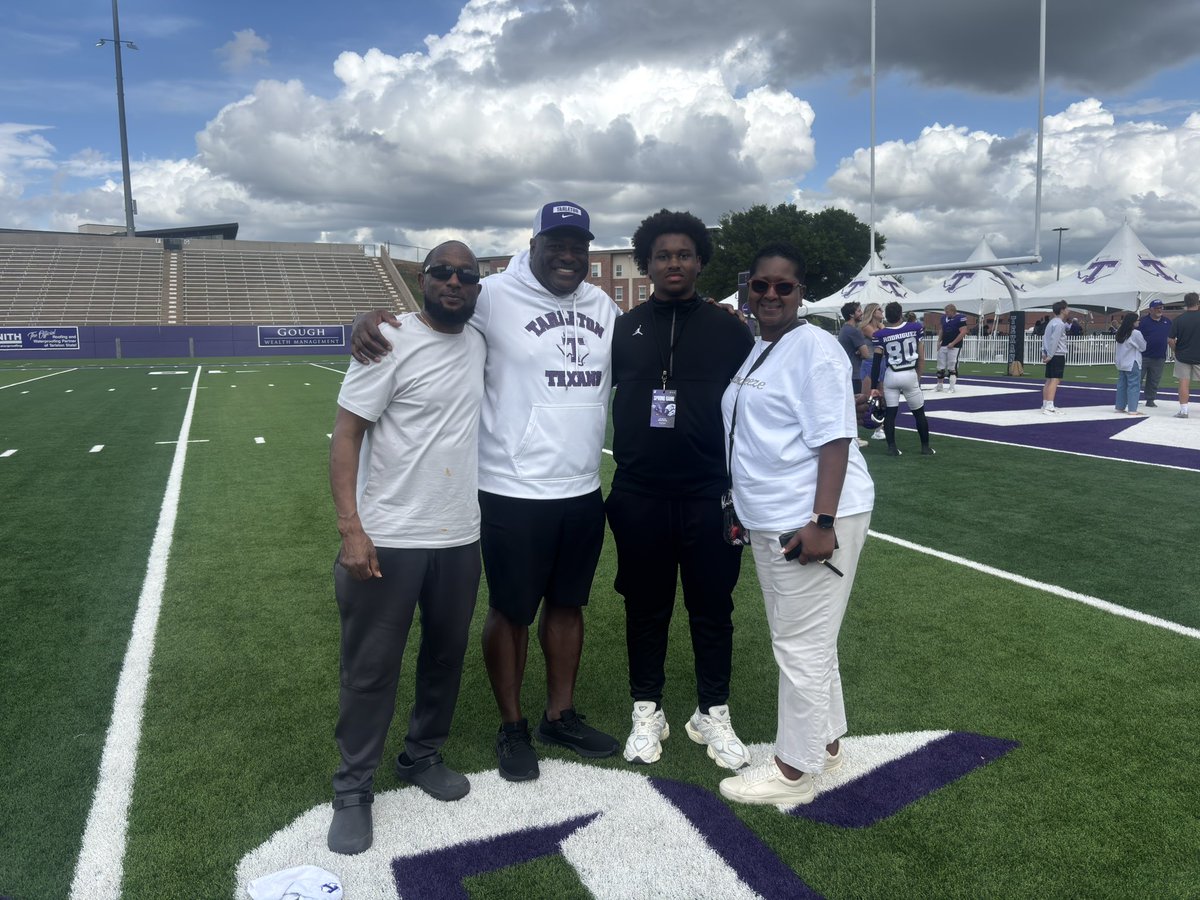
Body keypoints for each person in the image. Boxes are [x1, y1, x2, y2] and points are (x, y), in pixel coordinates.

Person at [350, 201, 621, 782]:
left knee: (569, 606)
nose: (569, 255)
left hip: (579, 486)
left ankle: (560, 714)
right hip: (509, 488)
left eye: (580, 245)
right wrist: (375, 317)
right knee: (511, 611)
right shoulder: (493, 293)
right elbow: (436, 314)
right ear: (535, 243)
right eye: (558, 243)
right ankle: (512, 725)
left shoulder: (604, 305)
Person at [326, 241, 487, 855]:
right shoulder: (387, 340)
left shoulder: (479, 341)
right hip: (389, 537)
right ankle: (352, 789)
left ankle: (422, 755)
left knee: (445, 657)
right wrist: (351, 529)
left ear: (477, 286)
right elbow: (346, 436)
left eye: (466, 276)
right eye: (442, 273)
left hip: (458, 535)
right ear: (422, 280)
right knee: (370, 669)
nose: (453, 282)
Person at [716, 242, 874, 806]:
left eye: (784, 286)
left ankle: (793, 771)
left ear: (801, 292)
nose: (771, 295)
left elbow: (835, 436)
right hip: (770, 515)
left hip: (809, 517)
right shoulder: (762, 346)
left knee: (799, 645)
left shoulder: (815, 347)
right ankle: (826, 742)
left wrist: (822, 520)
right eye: (761, 285)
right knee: (809, 638)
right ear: (747, 288)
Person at [607, 209, 755, 770]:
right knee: (646, 608)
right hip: (640, 493)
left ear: (700, 262)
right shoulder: (623, 327)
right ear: (647, 263)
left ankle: (711, 711)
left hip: (709, 494)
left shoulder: (727, 329)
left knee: (712, 609)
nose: (674, 262)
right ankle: (648, 709)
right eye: (663, 254)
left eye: (684, 254)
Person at [870, 301, 935, 456]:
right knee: (919, 413)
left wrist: (874, 385)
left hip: (891, 375)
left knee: (890, 414)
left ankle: (892, 448)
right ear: (901, 314)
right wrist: (918, 376)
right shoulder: (915, 328)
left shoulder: (880, 334)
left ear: (887, 315)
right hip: (909, 373)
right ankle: (925, 447)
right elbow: (920, 356)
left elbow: (877, 362)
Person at [837, 301, 871, 449]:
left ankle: (852, 437)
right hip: (854, 373)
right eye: (858, 311)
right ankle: (854, 438)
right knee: (855, 406)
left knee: (848, 406)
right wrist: (859, 352)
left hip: (847, 372)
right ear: (851, 314)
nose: (861, 313)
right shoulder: (853, 331)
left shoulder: (844, 329)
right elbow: (866, 353)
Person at [1169, 291, 1200, 419]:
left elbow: (1170, 340)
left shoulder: (1179, 319)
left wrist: (1176, 350)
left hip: (1183, 355)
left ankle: (1184, 411)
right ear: (1197, 302)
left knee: (1183, 383)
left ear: (1185, 303)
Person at [1137, 300, 1172, 407]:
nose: (1160, 310)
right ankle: (1132, 398)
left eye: (1161, 307)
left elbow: (1171, 337)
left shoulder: (1167, 322)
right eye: (1157, 308)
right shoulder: (1142, 322)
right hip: (1143, 356)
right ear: (1150, 309)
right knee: (1137, 379)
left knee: (1154, 380)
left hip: (1159, 356)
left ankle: (1150, 399)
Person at [860, 303, 886, 441]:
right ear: (872, 312)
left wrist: (883, 327)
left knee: (882, 397)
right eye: (879, 309)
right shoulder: (865, 327)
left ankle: (879, 428)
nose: (882, 312)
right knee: (865, 398)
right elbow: (879, 338)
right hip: (869, 363)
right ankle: (855, 431)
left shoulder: (881, 327)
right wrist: (883, 328)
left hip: (882, 363)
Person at [1113, 311, 1147, 417]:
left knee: (1122, 385)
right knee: (1134, 385)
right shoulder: (1136, 333)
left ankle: (1120, 407)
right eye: (1137, 320)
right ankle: (1132, 409)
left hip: (1121, 362)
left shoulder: (1120, 332)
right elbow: (1143, 347)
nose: (1139, 321)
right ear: (1132, 322)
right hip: (1133, 362)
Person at [1041, 300, 1070, 415]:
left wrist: (1044, 352)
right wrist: (1050, 355)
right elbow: (1054, 340)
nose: (1069, 310)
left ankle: (1045, 404)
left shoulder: (1051, 322)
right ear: (1062, 310)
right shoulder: (1059, 324)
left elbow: (1046, 338)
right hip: (1057, 355)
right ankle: (1049, 405)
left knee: (1049, 379)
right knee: (1055, 379)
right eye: (1067, 308)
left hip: (1051, 354)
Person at [935, 303, 969, 392]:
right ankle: (939, 385)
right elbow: (942, 329)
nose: (946, 313)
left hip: (955, 346)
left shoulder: (960, 318)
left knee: (952, 366)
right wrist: (939, 341)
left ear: (953, 311)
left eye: (947, 312)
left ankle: (952, 387)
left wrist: (953, 343)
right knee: (940, 366)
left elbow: (963, 332)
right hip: (944, 344)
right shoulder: (943, 318)